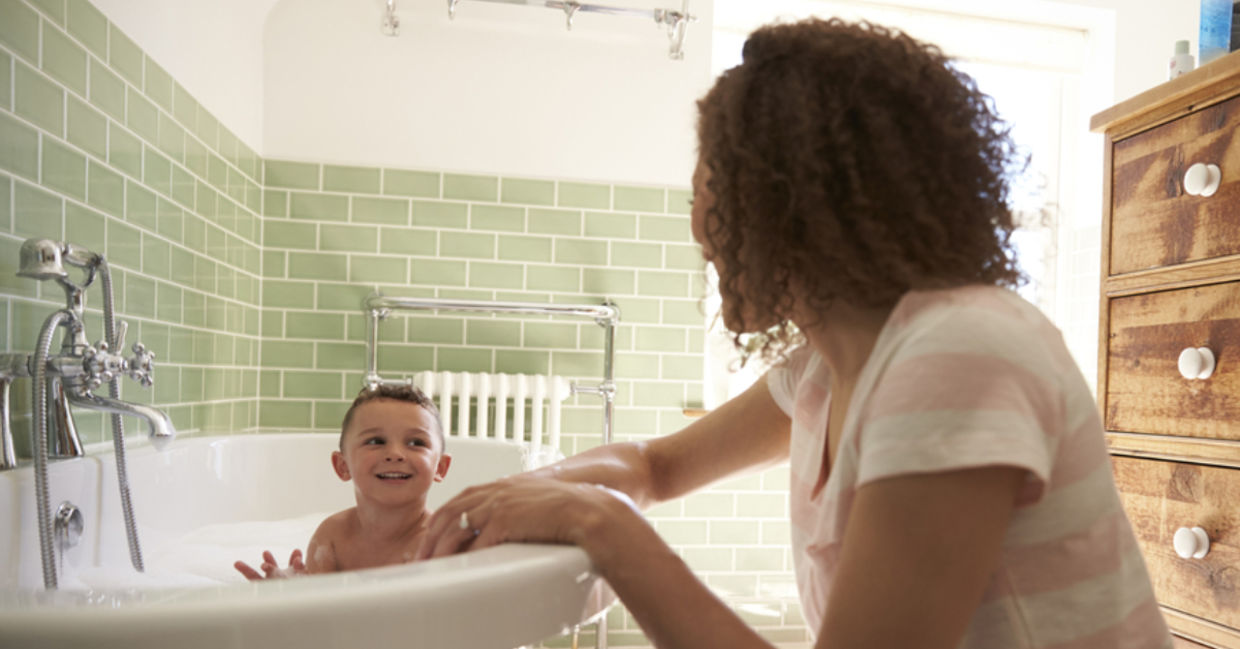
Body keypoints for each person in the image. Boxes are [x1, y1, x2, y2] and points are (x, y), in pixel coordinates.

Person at [415, 17, 1173, 649]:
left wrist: (599, 522)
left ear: (796, 198)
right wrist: (518, 493)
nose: (696, 218)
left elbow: (629, 497)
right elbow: (652, 465)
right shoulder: (825, 366)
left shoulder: (959, 352)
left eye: (712, 172)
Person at [235, 384, 451, 579]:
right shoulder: (332, 538)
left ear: (440, 468)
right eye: (376, 441)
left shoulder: (441, 544)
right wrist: (289, 591)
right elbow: (319, 611)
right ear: (342, 466)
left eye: (416, 442)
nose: (395, 454)